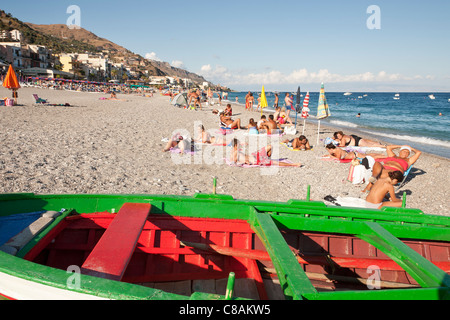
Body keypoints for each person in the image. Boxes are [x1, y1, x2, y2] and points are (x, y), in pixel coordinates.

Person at [230, 139, 301, 167]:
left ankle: (267, 158)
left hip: (254, 155)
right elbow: (233, 162)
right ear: (236, 145)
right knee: (274, 162)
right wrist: (245, 161)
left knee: (270, 146)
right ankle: (293, 164)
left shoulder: (236, 150)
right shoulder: (235, 152)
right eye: (239, 144)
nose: (240, 145)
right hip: (256, 160)